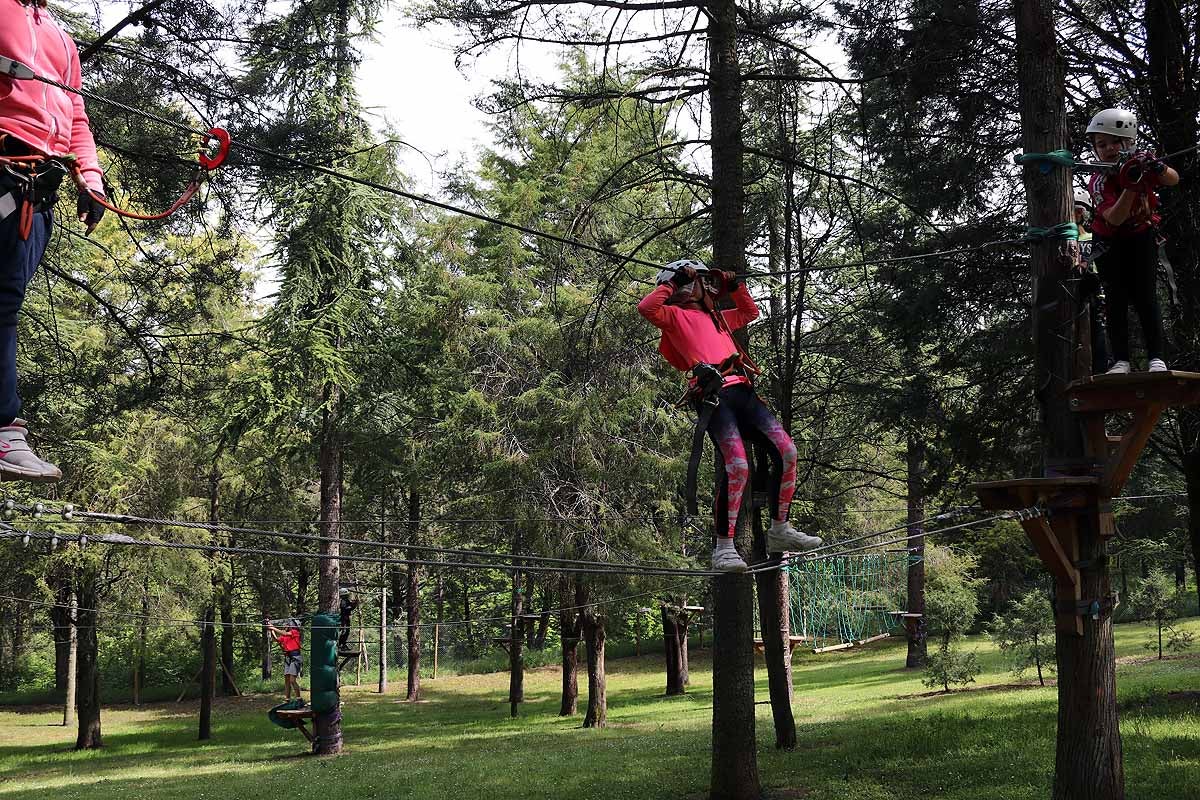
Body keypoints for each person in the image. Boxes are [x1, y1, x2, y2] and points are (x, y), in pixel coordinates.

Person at [638, 258, 822, 573]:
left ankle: (780, 530)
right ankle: (724, 548)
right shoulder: (674, 316)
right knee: (737, 466)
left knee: (788, 451)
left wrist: (734, 286)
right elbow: (646, 309)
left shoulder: (719, 319)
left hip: (743, 392)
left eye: (688, 284)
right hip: (714, 395)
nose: (687, 290)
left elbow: (750, 312)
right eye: (683, 285)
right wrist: (673, 281)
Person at [0, 0, 107, 481]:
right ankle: (4, 429)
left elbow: (76, 114)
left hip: (37, 189)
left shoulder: (61, 39)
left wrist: (90, 176)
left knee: (6, 302)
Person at [1085, 108, 1180, 375]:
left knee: (1145, 296)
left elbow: (1173, 179)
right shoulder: (1099, 179)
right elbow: (1114, 218)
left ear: (1129, 141)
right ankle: (1121, 361)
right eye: (1101, 144)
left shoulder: (1142, 163)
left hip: (1141, 236)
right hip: (1109, 242)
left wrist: (1157, 167)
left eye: (1115, 141)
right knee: (1116, 298)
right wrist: (1132, 184)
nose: (1109, 149)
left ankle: (1156, 358)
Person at [1074, 187, 1110, 374]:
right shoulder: (1060, 240)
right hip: (1071, 291)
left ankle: (1101, 371)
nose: (1074, 215)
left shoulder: (1092, 238)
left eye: (1078, 211)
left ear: (1083, 214)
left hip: (1095, 288)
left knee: (1099, 331)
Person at [266, 618, 304, 702]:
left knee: (292, 680)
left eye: (287, 624)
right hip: (288, 658)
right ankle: (287, 699)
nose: (285, 625)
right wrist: (271, 629)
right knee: (287, 680)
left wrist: (273, 627)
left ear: (292, 626)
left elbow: (285, 633)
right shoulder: (284, 636)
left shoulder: (295, 632)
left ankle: (299, 698)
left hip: (295, 658)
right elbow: (276, 639)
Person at [337, 588, 358, 653]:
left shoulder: (345, 600)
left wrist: (353, 604)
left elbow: (348, 606)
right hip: (344, 618)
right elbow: (345, 609)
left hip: (346, 617)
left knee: (346, 631)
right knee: (345, 631)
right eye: (346, 594)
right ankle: (341, 645)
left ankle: (343, 644)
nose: (347, 595)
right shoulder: (343, 601)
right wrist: (353, 606)